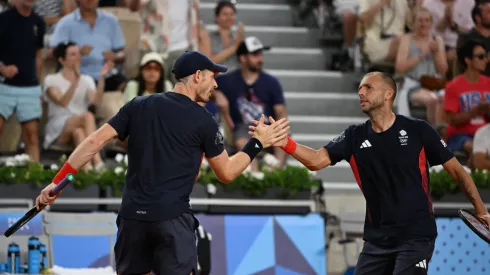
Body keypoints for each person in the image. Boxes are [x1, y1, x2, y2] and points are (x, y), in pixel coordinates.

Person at [35, 51, 290, 275]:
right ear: (197, 76)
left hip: (132, 220)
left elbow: (93, 143)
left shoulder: (138, 105)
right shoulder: (204, 120)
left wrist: (56, 183)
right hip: (171, 221)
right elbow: (227, 172)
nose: (215, 84)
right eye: (212, 77)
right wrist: (257, 143)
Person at [250, 71, 490, 275]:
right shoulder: (354, 136)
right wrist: (285, 143)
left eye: (368, 87)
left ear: (388, 94)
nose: (360, 93)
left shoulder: (418, 130)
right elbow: (316, 161)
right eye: (359, 88)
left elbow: (458, 172)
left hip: (416, 236)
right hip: (377, 241)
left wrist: (481, 211)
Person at [43, 41, 111, 172]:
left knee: (79, 132)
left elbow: (96, 102)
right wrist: (76, 79)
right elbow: (63, 102)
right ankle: (98, 161)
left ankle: (88, 170)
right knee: (87, 116)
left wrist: (102, 78)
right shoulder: (51, 79)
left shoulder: (87, 79)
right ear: (62, 60)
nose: (78, 57)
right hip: (59, 126)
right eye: (73, 54)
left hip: (82, 125)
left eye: (79, 53)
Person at [0, 0, 46, 162]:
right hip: (3, 86)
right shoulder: (3, 19)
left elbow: (38, 56)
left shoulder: (38, 22)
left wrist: (38, 84)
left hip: (30, 88)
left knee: (32, 136)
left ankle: (35, 177)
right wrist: (3, 69)